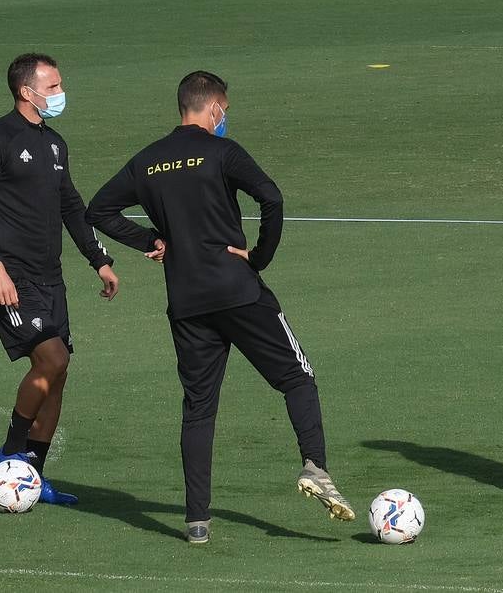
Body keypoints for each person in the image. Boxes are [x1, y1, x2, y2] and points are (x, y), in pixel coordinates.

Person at [85, 70, 354, 544]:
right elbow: (271, 196)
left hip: (186, 302)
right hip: (239, 291)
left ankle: (196, 521)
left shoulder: (147, 161)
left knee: (199, 409)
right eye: (224, 110)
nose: (225, 117)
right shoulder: (222, 151)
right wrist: (260, 256)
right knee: (297, 376)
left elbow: (98, 211)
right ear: (212, 108)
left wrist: (149, 239)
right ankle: (314, 464)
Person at [0, 53, 154, 504]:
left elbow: (72, 206)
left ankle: (35, 475)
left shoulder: (54, 144)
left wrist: (100, 260)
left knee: (59, 374)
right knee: (51, 360)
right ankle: (10, 453)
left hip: (51, 278)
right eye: (51, 87)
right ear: (26, 91)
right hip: (12, 276)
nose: (59, 94)